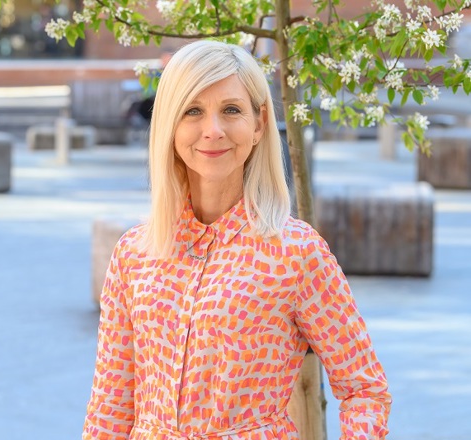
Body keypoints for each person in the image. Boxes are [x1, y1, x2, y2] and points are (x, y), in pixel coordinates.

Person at [83, 40, 391, 439]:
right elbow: (110, 408)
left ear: (259, 123)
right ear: (169, 124)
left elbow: (364, 388)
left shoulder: (296, 254)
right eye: (192, 110)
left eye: (231, 110)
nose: (213, 130)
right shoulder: (134, 255)